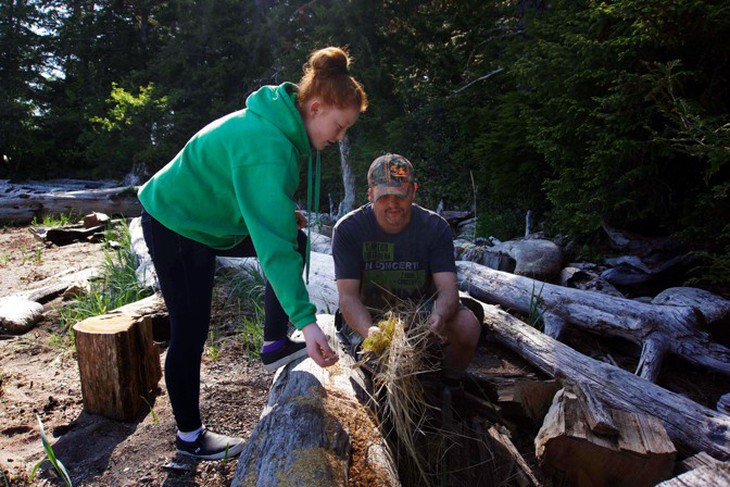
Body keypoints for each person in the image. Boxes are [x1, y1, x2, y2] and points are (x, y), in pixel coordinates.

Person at [138, 47, 368, 460]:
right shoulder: (267, 144)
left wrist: (282, 214)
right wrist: (308, 322)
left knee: (295, 238)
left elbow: (249, 198)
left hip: (207, 218)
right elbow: (273, 249)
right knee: (190, 332)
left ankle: (274, 344)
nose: (340, 138)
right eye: (340, 125)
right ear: (316, 107)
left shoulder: (280, 129)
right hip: (176, 222)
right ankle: (190, 440)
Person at [332, 153, 481, 384]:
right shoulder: (349, 230)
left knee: (468, 327)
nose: (392, 204)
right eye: (384, 196)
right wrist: (371, 332)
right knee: (375, 371)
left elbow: (448, 290)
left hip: (421, 313)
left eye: (400, 195)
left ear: (413, 191)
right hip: (369, 315)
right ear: (370, 194)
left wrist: (439, 315)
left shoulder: (435, 228)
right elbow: (348, 297)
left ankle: (449, 385)